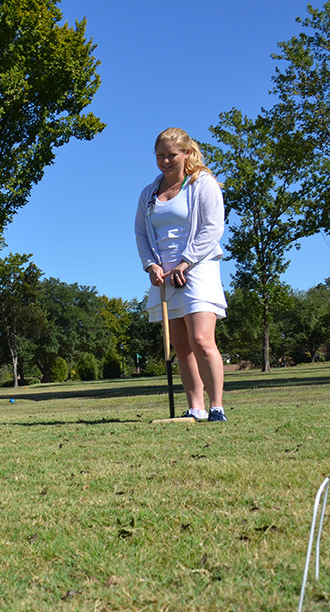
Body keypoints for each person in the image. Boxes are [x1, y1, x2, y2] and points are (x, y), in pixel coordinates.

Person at [135, 127, 228, 422]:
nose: (165, 161)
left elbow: (213, 228)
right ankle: (196, 407)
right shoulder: (149, 193)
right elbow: (141, 234)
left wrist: (186, 262)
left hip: (197, 268)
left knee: (201, 338)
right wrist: (151, 265)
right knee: (180, 343)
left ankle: (216, 407)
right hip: (164, 274)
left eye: (171, 155)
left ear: (186, 153)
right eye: (160, 156)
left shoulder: (202, 184)